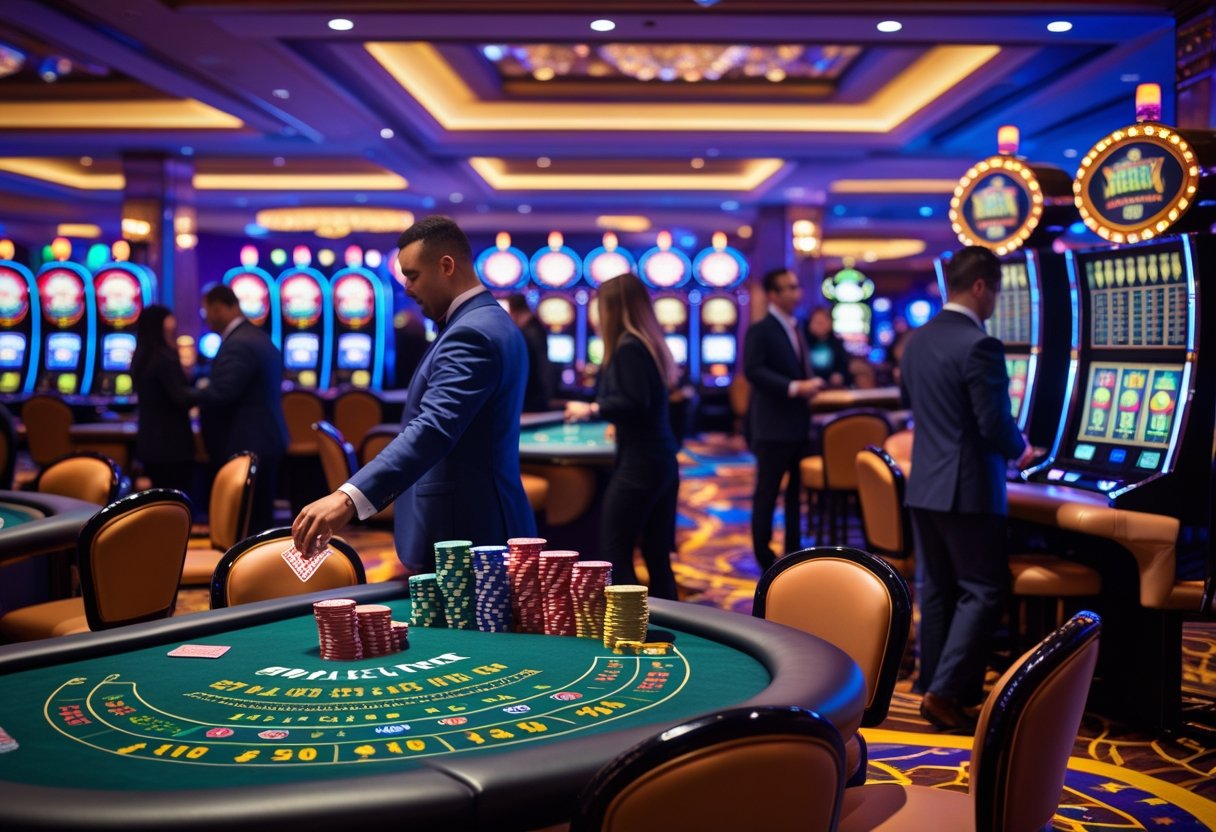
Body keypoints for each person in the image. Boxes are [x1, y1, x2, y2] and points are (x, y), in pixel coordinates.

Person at [291, 216, 536, 570]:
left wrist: (347, 498)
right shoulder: (485, 321)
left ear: (446, 266)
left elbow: (433, 429)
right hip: (474, 522)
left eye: (413, 275)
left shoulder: (472, 334)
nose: (406, 288)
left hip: (468, 531)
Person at [900, 245, 1035, 732]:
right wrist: (1023, 450)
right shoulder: (981, 345)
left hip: (924, 485)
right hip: (968, 487)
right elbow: (992, 424)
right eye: (995, 291)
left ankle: (931, 683)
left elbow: (914, 405)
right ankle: (944, 693)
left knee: (937, 589)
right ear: (980, 286)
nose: (994, 301)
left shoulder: (916, 341)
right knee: (983, 588)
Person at [565, 273, 680, 600]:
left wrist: (591, 409)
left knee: (614, 551)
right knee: (656, 555)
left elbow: (633, 402)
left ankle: (630, 623)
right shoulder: (644, 342)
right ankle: (677, 625)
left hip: (640, 465)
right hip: (659, 459)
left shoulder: (628, 346)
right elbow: (643, 402)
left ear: (614, 307)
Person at [744, 268, 824, 572]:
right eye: (789, 287)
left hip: (798, 423)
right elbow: (753, 370)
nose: (796, 292)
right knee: (767, 491)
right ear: (773, 295)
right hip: (772, 425)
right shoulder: (761, 329)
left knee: (795, 493)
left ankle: (793, 549)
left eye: (796, 286)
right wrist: (794, 387)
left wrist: (810, 383)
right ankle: (763, 554)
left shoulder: (795, 325)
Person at [196, 283, 289, 534]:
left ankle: (251, 560)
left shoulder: (239, 342)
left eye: (206, 312)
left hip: (249, 441)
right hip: (263, 438)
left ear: (219, 308)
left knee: (249, 525)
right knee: (258, 520)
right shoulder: (255, 335)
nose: (206, 319)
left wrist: (184, 395)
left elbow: (224, 392)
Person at [131, 305, 197, 497]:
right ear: (160, 326)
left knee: (157, 499)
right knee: (176, 499)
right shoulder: (165, 358)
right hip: (172, 442)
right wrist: (207, 392)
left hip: (149, 440)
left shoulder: (141, 357)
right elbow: (180, 397)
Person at [506, 293, 554, 413]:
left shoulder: (527, 333)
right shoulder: (536, 327)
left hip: (531, 399)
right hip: (538, 395)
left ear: (514, 311)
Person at [804, 307, 853, 388]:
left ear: (830, 323)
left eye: (822, 322)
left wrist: (840, 376)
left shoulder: (837, 343)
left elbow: (845, 369)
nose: (819, 326)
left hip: (833, 387)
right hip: (808, 386)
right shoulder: (802, 342)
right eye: (816, 322)